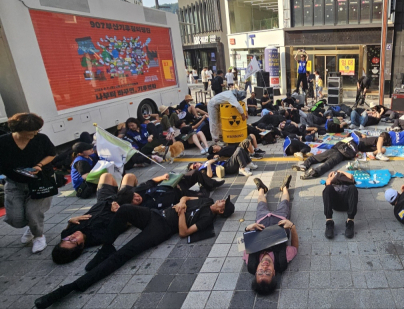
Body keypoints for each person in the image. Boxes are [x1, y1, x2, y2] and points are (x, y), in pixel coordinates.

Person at [35, 195, 235, 309]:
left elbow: (184, 233)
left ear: (221, 211)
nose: (219, 201)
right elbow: (186, 197)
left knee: (125, 253)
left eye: (222, 203)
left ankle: (70, 288)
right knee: (124, 210)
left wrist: (181, 214)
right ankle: (106, 246)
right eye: (222, 200)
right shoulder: (207, 200)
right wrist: (182, 201)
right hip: (155, 215)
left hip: (163, 228)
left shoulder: (208, 217)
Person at [51, 173, 145, 264]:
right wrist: (120, 210)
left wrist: (71, 220)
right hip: (120, 204)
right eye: (73, 241)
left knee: (105, 176)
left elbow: (68, 228)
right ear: (81, 246)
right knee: (129, 177)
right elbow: (124, 224)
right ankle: (133, 191)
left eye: (66, 239)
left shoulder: (67, 233)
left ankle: (124, 190)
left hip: (103, 201)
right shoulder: (98, 237)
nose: (72, 236)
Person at [0, 113, 57, 253]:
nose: (34, 134)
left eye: (36, 131)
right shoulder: (3, 142)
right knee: (15, 218)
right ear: (18, 130)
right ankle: (32, 227)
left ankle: (39, 236)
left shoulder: (41, 139)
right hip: (15, 182)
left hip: (40, 181)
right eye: (31, 132)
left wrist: (39, 165)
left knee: (33, 213)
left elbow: (51, 154)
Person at [243, 176, 298, 296]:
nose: (264, 267)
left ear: (256, 271)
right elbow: (294, 248)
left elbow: (244, 243)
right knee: (284, 203)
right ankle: (284, 188)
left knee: (261, 203)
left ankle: (261, 189)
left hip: (261, 221)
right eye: (267, 273)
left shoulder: (251, 262)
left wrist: (248, 229)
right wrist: (292, 227)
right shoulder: (281, 261)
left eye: (260, 272)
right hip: (280, 221)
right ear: (273, 273)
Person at [293, 140, 358, 179]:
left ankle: (304, 165)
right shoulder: (355, 149)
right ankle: (315, 172)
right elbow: (351, 156)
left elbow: (335, 145)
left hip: (333, 150)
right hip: (339, 156)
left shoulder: (344, 141)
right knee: (327, 165)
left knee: (314, 158)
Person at [323, 171, 357, 239]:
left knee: (353, 188)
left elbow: (351, 177)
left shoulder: (349, 181)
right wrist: (332, 175)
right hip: (335, 202)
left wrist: (340, 171)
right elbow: (328, 182)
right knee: (327, 189)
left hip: (347, 203)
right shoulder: (332, 182)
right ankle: (329, 221)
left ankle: (350, 221)